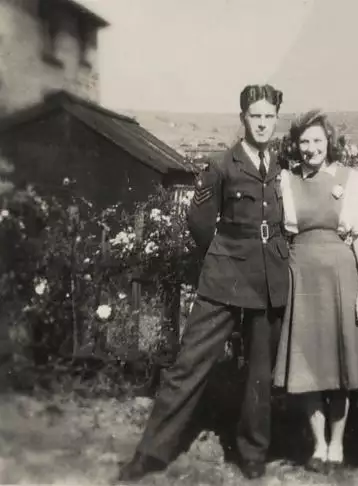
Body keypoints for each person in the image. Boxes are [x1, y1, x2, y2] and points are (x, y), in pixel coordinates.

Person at [117, 84, 289, 482]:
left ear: (276, 120)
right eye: (255, 116)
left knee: (260, 373)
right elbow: (199, 223)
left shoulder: (280, 166)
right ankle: (151, 453)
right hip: (225, 279)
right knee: (188, 365)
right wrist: (226, 257)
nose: (262, 123)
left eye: (269, 117)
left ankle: (253, 453)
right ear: (243, 118)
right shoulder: (221, 165)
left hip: (269, 280)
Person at [273, 110, 358, 472]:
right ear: (295, 145)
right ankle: (317, 445)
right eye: (304, 141)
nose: (311, 148)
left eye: (317, 140)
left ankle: (337, 445)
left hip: (341, 280)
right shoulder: (285, 181)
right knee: (308, 365)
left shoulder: (351, 179)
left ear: (328, 142)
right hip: (301, 280)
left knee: (340, 365)